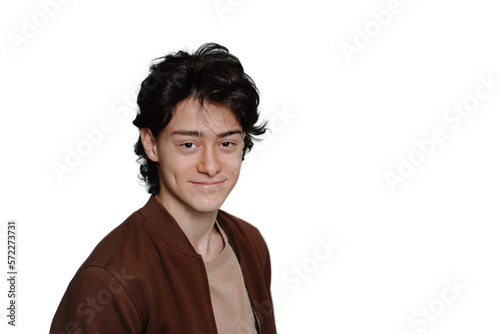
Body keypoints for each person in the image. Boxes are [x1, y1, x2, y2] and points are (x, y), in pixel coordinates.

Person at [50, 43, 277, 334]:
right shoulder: (108, 280)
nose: (210, 165)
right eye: (188, 144)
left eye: (226, 143)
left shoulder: (250, 244)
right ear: (152, 144)